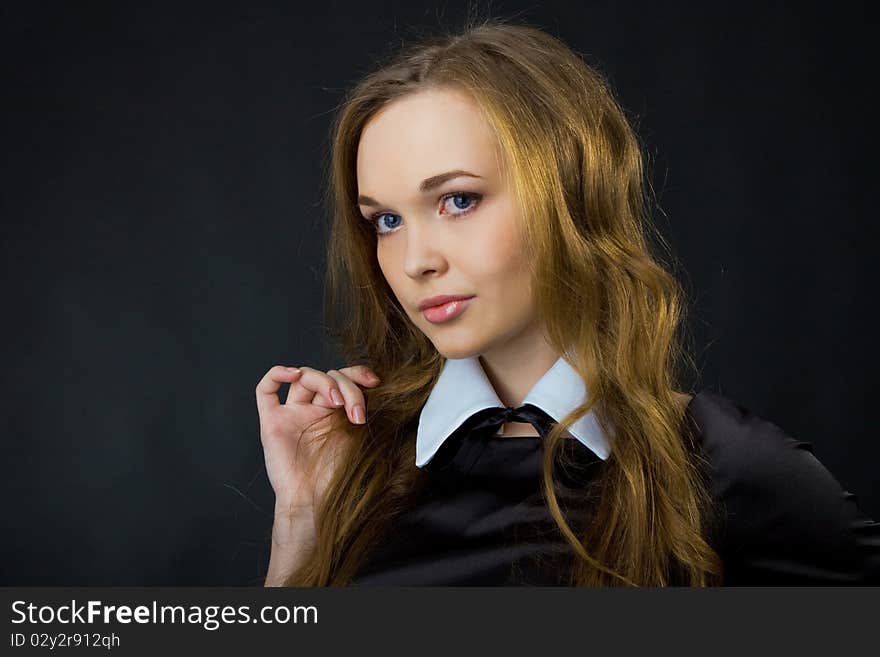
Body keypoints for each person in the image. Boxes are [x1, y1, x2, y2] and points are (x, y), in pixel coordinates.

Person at [255, 18, 879, 586]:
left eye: (459, 200)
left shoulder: (722, 465)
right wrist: (303, 521)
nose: (417, 260)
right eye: (387, 220)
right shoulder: (354, 464)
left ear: (568, 195)